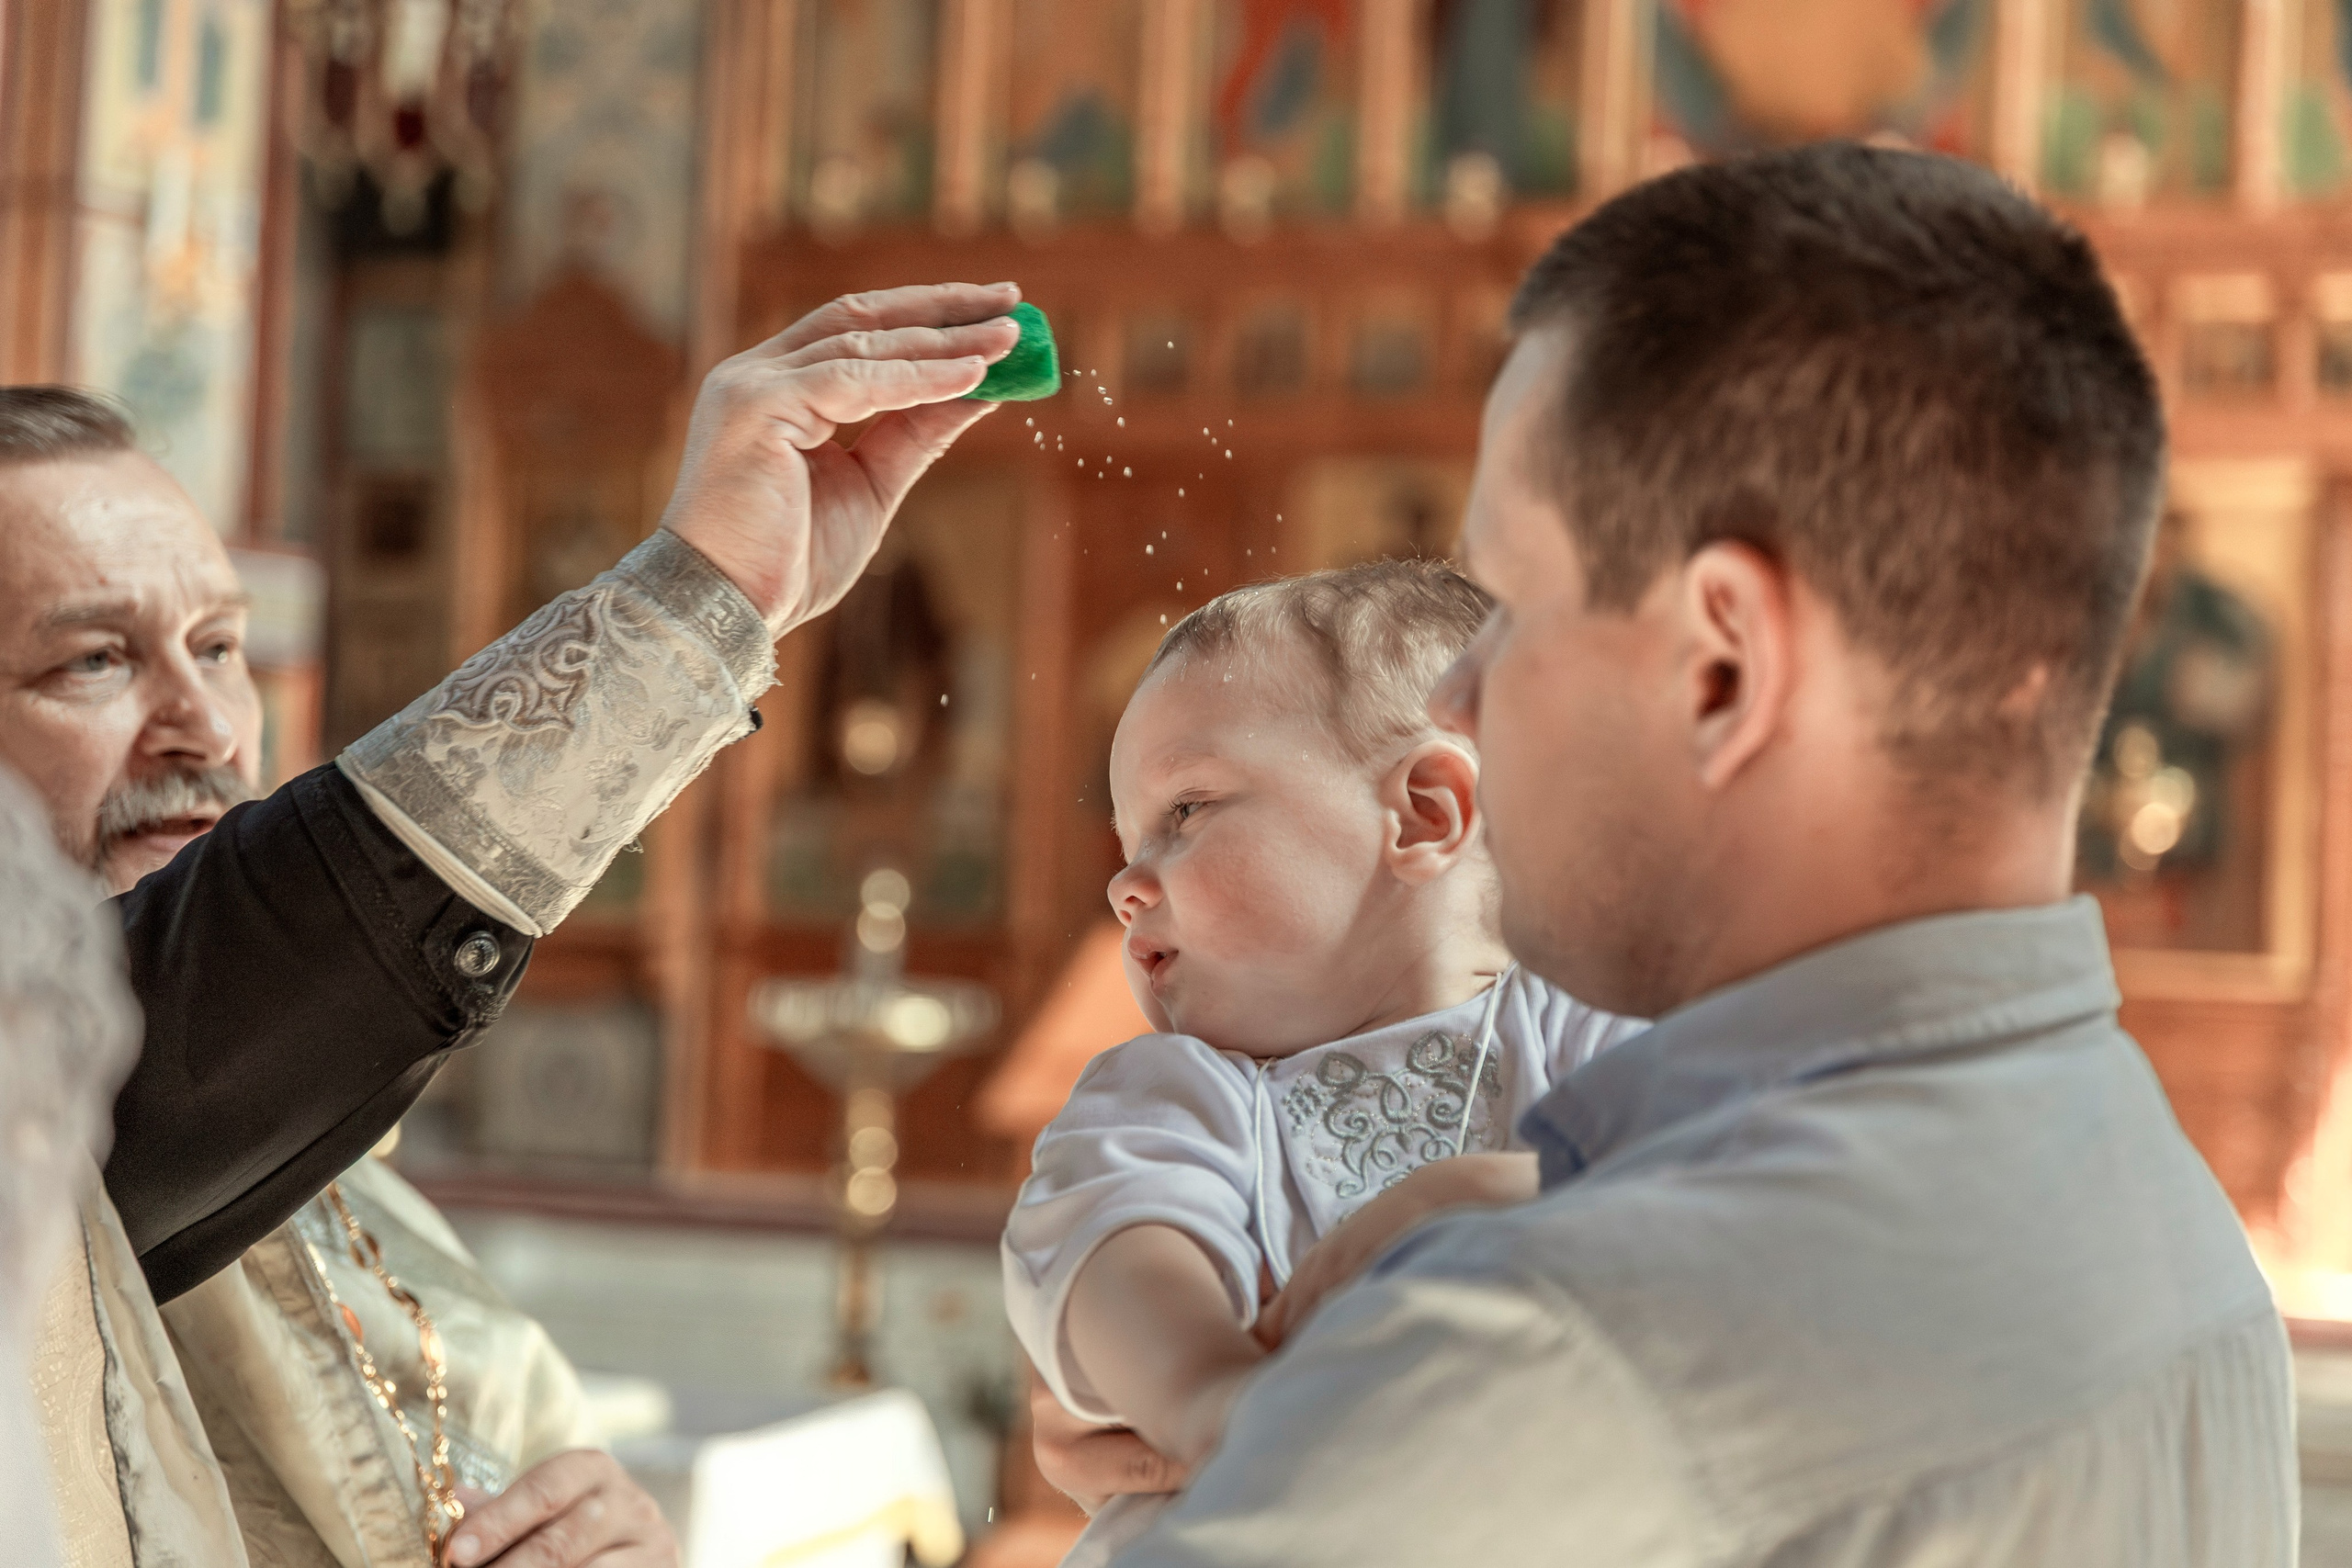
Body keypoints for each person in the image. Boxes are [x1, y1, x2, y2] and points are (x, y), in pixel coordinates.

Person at [1054, 145, 2299, 1563]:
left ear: (1721, 665)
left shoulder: (1560, 1345)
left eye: (1511, 606)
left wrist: (1218, 1469)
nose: (1460, 701)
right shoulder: (2169, 1213)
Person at [0, 280, 1024, 1566]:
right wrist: (694, 602)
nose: (207, 726)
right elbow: (214, 995)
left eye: (219, 646)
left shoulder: (348, 1146)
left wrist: (616, 1536)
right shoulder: (38, 1110)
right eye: (92, 660)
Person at [1001, 561, 1641, 1563]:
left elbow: (1729, 1200)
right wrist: (1211, 1396)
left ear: (1425, 813)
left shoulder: (1586, 1026)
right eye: (1128, 841)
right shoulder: (1184, 1091)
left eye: (1186, 810)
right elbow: (1119, 1243)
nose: (1126, 882)